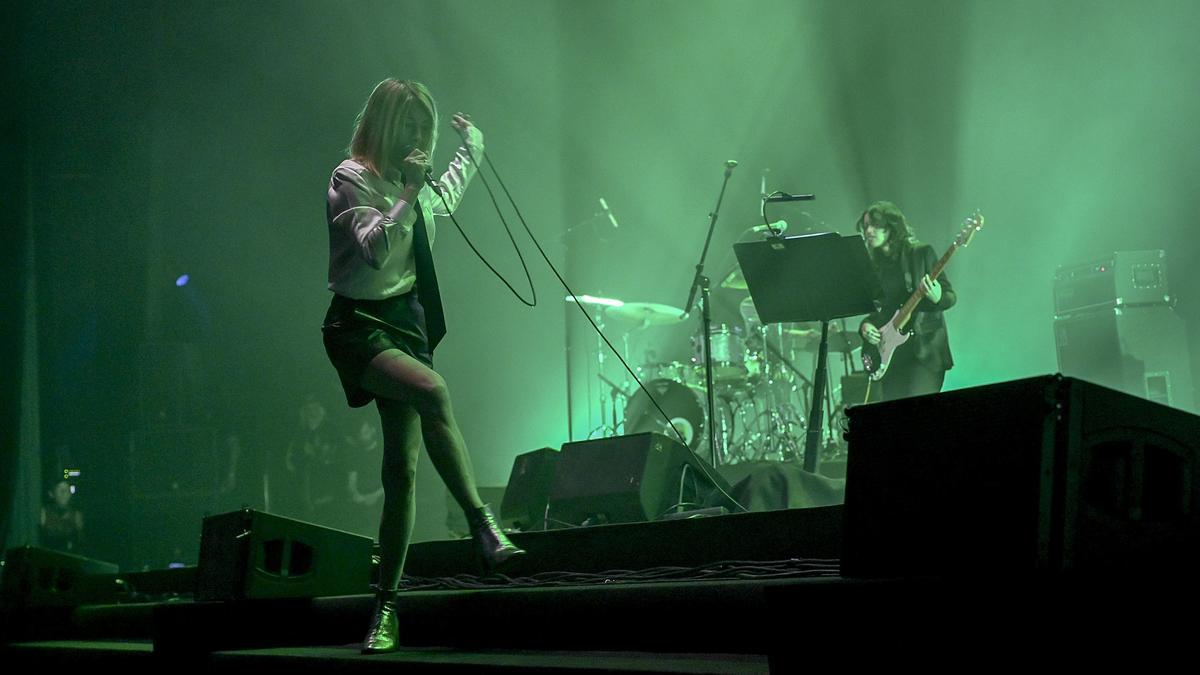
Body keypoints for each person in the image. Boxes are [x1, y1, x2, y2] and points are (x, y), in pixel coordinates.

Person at [321, 78, 524, 654]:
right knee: (433, 393)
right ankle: (483, 526)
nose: (416, 137)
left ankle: (385, 610)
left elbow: (456, 185)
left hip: (406, 326)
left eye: (423, 128)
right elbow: (376, 249)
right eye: (407, 125)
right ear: (383, 125)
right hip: (358, 327)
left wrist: (474, 144)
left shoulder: (422, 186)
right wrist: (407, 194)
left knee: (400, 474)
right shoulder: (350, 178)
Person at [856, 201, 956, 401]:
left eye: (875, 225)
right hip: (892, 357)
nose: (869, 230)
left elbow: (950, 297)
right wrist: (866, 326)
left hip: (924, 354)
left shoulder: (921, 253)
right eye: (866, 226)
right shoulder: (875, 267)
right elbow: (881, 311)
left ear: (891, 226)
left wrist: (937, 297)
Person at [40, 480, 83, 553]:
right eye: (60, 490)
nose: (64, 493)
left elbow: (80, 541)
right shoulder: (44, 513)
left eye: (67, 490)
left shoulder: (76, 515)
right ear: (51, 494)